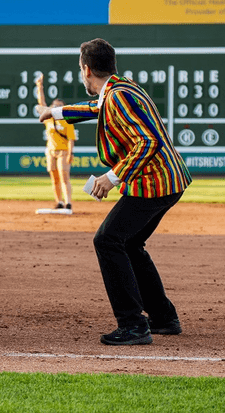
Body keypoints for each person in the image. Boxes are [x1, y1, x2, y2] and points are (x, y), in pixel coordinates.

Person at [39, 38, 192, 346]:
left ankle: (133, 325)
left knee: (107, 240)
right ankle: (163, 317)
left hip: (154, 183)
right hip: (168, 181)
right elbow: (96, 108)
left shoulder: (117, 96)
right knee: (131, 243)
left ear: (86, 69)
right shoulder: (120, 88)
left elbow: (148, 142)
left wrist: (112, 177)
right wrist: (53, 113)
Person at [35, 73, 75, 211]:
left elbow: (70, 139)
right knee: (54, 178)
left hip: (63, 151)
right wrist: (39, 86)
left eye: (59, 106)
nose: (56, 107)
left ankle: (68, 203)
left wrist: (71, 153)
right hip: (51, 151)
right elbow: (41, 104)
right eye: (55, 105)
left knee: (64, 177)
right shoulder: (49, 119)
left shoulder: (67, 121)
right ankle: (59, 202)